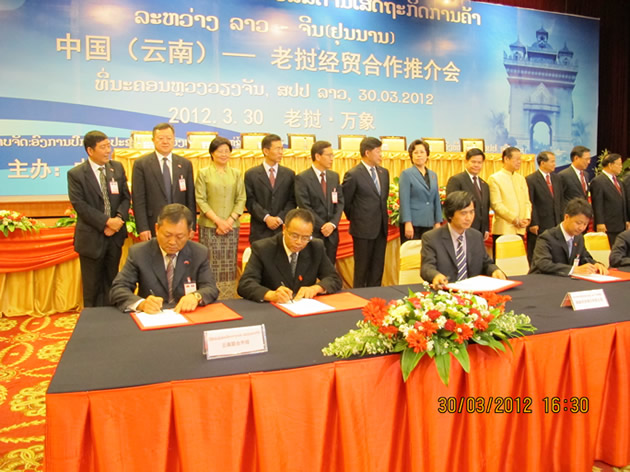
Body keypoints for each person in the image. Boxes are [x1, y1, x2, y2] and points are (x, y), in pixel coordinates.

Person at [110, 204, 218, 313]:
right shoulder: (139, 252)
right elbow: (118, 288)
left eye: (179, 236)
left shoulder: (199, 252)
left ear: (190, 233)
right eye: (167, 235)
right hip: (153, 316)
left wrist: (196, 296)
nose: (172, 242)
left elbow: (210, 288)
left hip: (186, 315)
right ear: (157, 229)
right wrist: (141, 304)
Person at [67, 130, 131, 307]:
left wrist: (118, 219)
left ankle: (112, 318)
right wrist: (106, 222)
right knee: (92, 286)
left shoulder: (116, 168)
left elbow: (125, 197)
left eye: (109, 146)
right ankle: (91, 320)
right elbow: (80, 205)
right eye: (103, 147)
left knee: (113, 282)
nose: (108, 151)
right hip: (91, 238)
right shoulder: (76, 174)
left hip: (115, 236)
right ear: (90, 150)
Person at [237, 208, 342, 303]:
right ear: (284, 229)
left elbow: (334, 278)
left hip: (303, 307)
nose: (299, 242)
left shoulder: (315, 247)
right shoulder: (263, 248)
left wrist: (315, 288)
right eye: (294, 236)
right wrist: (271, 295)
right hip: (271, 308)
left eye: (305, 238)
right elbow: (245, 284)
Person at [195, 136, 246, 299]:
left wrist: (229, 221)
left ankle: (228, 296)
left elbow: (241, 198)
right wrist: (218, 221)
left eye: (227, 151)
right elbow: (200, 199)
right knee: (210, 263)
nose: (224, 154)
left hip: (231, 227)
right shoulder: (203, 173)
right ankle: (209, 294)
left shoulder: (236, 174)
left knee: (229, 265)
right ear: (212, 153)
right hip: (210, 226)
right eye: (220, 151)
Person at [421, 191, 505, 289]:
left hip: (474, 290)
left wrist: (495, 270)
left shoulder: (476, 236)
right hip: (447, 290)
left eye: (471, 212)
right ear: (450, 215)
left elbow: (486, 263)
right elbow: (427, 267)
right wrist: (436, 276)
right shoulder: (432, 238)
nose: (469, 218)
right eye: (463, 213)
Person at [131, 123, 196, 241]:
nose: (165, 142)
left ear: (174, 140)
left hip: (180, 224)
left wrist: (191, 225)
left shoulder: (185, 164)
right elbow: (138, 199)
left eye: (169, 138)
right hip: (153, 223)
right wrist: (143, 227)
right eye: (161, 138)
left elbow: (190, 198)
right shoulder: (141, 164)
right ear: (153, 140)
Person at [342, 136, 390, 287]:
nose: (381, 155)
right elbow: (346, 202)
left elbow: (383, 199)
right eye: (378, 151)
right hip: (362, 229)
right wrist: (357, 219)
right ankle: (359, 296)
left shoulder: (384, 172)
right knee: (361, 269)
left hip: (381, 228)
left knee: (377, 268)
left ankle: (375, 295)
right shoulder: (353, 174)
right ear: (367, 153)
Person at [294, 140, 344, 264]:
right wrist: (323, 226)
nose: (332, 158)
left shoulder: (334, 176)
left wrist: (332, 224)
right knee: (311, 267)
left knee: (329, 267)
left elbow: (340, 202)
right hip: (314, 232)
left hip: (332, 233)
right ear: (317, 156)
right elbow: (305, 206)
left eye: (333, 155)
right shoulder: (303, 178)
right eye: (329, 155)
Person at [530, 198, 607, 276]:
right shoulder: (547, 237)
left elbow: (584, 257)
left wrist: (595, 264)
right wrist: (573, 270)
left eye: (585, 224)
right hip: (542, 279)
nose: (581, 228)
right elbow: (543, 264)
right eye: (578, 223)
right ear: (566, 217)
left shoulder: (579, 238)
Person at [244, 134, 296, 243]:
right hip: (259, 230)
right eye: (277, 149)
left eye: (282, 149)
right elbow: (250, 201)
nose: (281, 152)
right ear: (266, 151)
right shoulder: (251, 174)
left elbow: (292, 200)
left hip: (281, 229)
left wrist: (280, 219)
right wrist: (266, 217)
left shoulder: (289, 174)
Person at [488, 146, 531, 253]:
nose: (519, 162)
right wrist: (514, 219)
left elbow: (527, 202)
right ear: (506, 159)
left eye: (520, 159)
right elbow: (496, 204)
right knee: (503, 260)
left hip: (520, 229)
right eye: (516, 159)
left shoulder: (521, 178)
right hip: (504, 229)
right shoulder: (495, 178)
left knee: (518, 260)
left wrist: (526, 218)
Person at [399, 139, 442, 244]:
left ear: (427, 154)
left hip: (429, 222)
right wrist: (407, 222)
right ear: (411, 156)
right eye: (415, 153)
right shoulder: (406, 174)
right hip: (413, 224)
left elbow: (436, 199)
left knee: (429, 252)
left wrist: (438, 222)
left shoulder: (433, 175)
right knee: (412, 252)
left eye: (422, 152)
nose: (419, 155)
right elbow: (404, 201)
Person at [525, 151, 564, 261]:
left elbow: (560, 200)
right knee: (538, 252)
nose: (554, 164)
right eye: (552, 162)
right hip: (540, 224)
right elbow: (530, 202)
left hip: (556, 222)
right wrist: (533, 222)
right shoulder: (531, 179)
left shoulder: (557, 178)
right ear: (542, 163)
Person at [446, 148, 490, 240]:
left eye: (479, 162)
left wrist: (486, 228)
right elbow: (451, 205)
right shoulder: (456, 180)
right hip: (462, 229)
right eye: (473, 162)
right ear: (466, 161)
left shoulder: (484, 184)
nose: (476, 165)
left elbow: (485, 208)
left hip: (480, 231)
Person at [590, 153, 629, 247]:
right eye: (619, 164)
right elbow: (597, 204)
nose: (621, 167)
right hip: (608, 226)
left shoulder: (619, 181)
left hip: (621, 225)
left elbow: (623, 202)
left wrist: (626, 220)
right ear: (610, 165)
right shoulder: (598, 181)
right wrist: (600, 222)